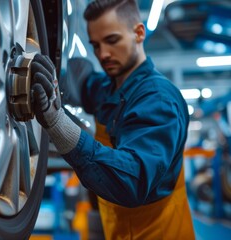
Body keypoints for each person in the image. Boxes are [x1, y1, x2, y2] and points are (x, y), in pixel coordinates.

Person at [30, 0, 195, 239]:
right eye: (95, 45)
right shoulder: (107, 88)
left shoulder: (158, 100)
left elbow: (133, 180)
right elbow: (83, 80)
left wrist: (58, 123)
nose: (103, 54)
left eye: (112, 40)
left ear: (139, 33)